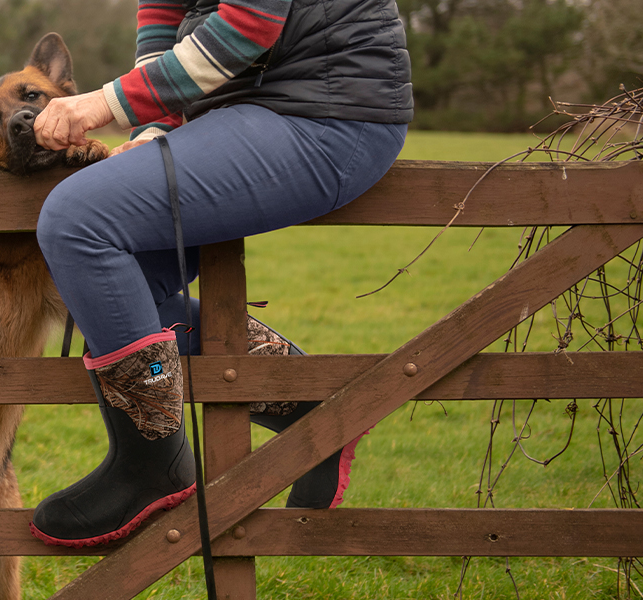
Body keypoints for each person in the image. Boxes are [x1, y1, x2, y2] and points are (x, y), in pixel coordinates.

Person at [27, 0, 412, 547]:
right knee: (111, 285)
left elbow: (250, 23)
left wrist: (103, 104)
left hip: (327, 113)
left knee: (76, 222)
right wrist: (153, 128)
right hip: (240, 113)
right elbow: (164, 26)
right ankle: (306, 404)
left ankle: (153, 463)